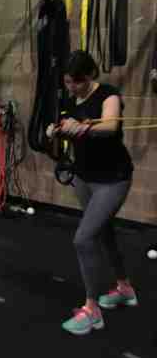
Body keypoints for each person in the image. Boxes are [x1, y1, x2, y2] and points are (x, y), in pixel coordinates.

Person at [47, 50, 137, 336]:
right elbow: (65, 128)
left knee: (83, 238)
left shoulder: (108, 95)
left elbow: (110, 126)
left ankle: (92, 310)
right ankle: (124, 288)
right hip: (84, 178)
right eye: (67, 82)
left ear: (89, 76)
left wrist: (84, 128)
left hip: (113, 179)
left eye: (76, 82)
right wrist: (55, 130)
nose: (71, 87)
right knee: (104, 233)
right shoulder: (69, 100)